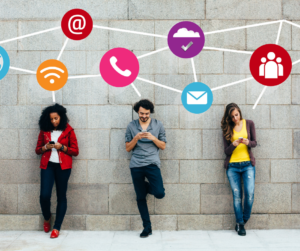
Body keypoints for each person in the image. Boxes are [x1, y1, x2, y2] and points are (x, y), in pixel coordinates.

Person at [35, 103, 79, 238]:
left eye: (56, 118)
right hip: (47, 165)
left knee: (61, 196)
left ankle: (57, 227)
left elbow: (76, 151)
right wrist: (45, 147)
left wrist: (62, 147)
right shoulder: (44, 131)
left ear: (61, 117)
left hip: (63, 167)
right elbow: (37, 150)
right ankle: (47, 217)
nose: (54, 121)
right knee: (44, 196)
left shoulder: (69, 131)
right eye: (51, 119)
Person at [125, 99, 167, 238]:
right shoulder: (131, 126)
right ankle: (147, 227)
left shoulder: (158, 124)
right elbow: (127, 148)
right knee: (140, 197)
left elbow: (163, 146)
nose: (144, 116)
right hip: (136, 165)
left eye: (147, 114)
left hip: (152, 164)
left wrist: (152, 138)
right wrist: (136, 138)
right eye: (141, 113)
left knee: (159, 192)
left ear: (150, 112)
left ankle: (146, 187)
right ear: (138, 112)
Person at [221, 103, 257, 236]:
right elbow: (226, 151)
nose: (235, 118)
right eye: (232, 117)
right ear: (229, 118)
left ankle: (244, 218)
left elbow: (254, 143)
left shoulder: (249, 123)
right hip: (233, 166)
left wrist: (248, 142)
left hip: (248, 165)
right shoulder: (227, 128)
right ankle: (240, 224)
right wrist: (234, 145)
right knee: (237, 196)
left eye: (236, 115)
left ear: (240, 113)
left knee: (249, 194)